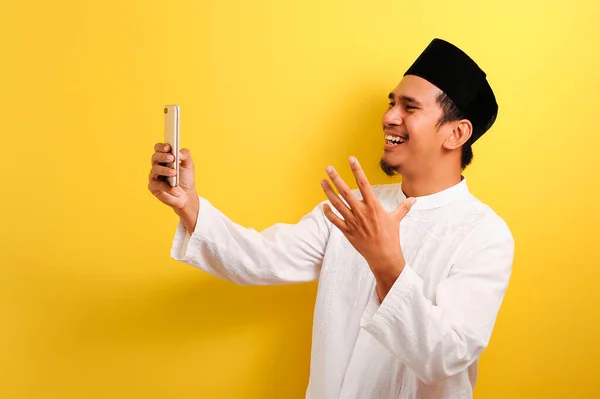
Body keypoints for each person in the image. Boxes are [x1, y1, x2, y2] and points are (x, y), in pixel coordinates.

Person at [147, 38, 514, 399]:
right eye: (391, 103)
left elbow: (444, 357)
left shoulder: (484, 235)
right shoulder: (353, 206)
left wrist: (387, 263)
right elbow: (262, 258)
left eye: (410, 107)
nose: (389, 117)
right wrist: (188, 204)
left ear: (456, 133)